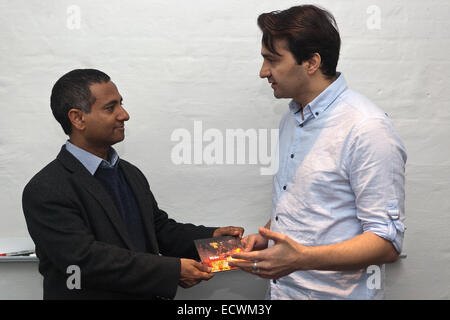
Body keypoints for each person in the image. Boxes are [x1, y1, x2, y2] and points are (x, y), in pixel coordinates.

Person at [230, 5, 407, 299]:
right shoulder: (292, 117)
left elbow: (386, 243)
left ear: (311, 62)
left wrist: (301, 258)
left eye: (272, 60)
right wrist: (266, 236)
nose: (263, 72)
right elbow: (306, 201)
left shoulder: (367, 128)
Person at [22, 68, 244, 300]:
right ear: (77, 118)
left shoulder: (129, 174)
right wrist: (172, 271)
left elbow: (159, 230)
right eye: (111, 107)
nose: (124, 114)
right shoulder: (46, 188)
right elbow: (84, 260)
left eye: (121, 104)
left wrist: (216, 239)